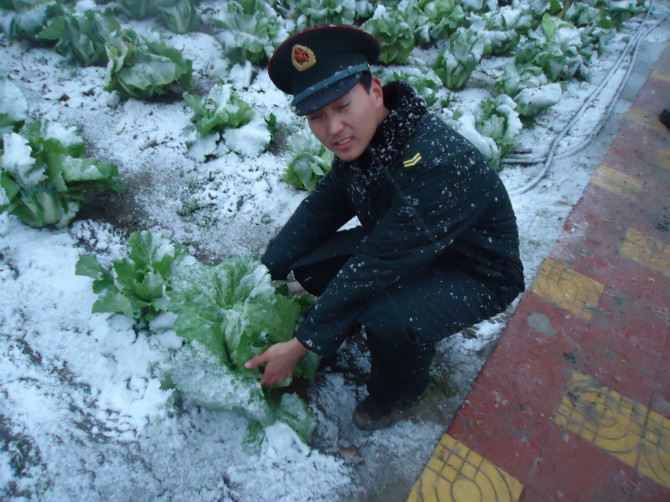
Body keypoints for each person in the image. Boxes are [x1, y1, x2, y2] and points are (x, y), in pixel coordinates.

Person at [245, 25, 525, 431]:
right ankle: (378, 318)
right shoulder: (372, 139)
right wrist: (260, 271)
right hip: (409, 245)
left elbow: (377, 263)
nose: (333, 128)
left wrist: (302, 343)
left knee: (388, 316)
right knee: (311, 266)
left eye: (342, 106)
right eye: (317, 116)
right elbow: (320, 210)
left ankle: (400, 393)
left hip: (475, 271)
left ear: (375, 92)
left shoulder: (432, 161)